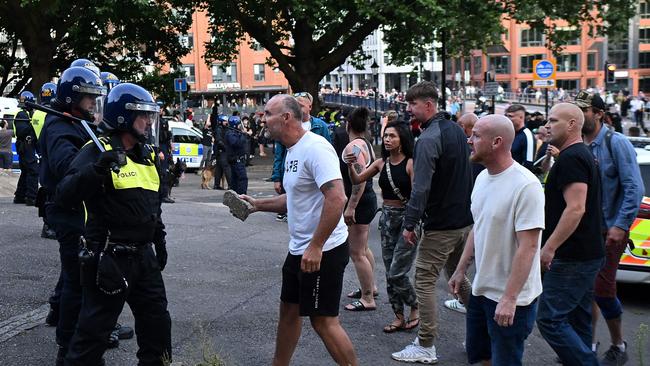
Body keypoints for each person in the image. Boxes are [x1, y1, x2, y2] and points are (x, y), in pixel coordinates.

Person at [56, 83, 171, 365]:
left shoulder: (146, 156)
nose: (149, 122)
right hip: (109, 256)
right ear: (123, 117)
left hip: (144, 256)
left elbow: (151, 205)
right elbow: (65, 195)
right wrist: (97, 170)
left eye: (150, 116)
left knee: (158, 324)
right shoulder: (96, 151)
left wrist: (159, 239)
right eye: (143, 116)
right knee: (93, 335)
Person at [240, 94, 357, 366]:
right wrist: (258, 205)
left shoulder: (316, 148)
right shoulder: (292, 149)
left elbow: (336, 198)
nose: (262, 118)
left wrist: (316, 246)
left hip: (324, 250)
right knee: (289, 311)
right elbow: (293, 198)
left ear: (286, 117)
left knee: (323, 321)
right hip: (300, 249)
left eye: (268, 113)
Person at [449, 114, 544, 366]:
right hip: (481, 291)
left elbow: (530, 246)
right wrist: (461, 270)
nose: (469, 140)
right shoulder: (481, 178)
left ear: (496, 142)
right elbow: (478, 227)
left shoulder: (526, 186)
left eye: (476, 136)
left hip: (512, 299)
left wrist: (510, 298)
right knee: (480, 357)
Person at [392, 81, 473, 364]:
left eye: (413, 104)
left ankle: (426, 344)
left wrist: (410, 223)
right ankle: (479, 333)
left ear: (428, 105)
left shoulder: (429, 138)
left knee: (424, 281)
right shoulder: (456, 131)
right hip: (463, 221)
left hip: (442, 224)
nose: (408, 109)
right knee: (458, 276)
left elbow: (421, 187)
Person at [38, 66, 107, 364]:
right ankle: (67, 345)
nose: (93, 103)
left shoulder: (78, 122)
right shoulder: (59, 127)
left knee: (80, 280)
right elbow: (68, 166)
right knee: (75, 283)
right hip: (68, 212)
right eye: (89, 97)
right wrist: (101, 162)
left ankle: (81, 338)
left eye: (95, 97)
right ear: (72, 97)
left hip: (82, 211)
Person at [575, 90, 644, 365]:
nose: (580, 116)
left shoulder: (616, 143)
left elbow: (633, 188)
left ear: (600, 114)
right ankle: (587, 344)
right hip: (585, 230)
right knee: (585, 290)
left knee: (603, 289)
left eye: (585, 111)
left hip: (609, 230)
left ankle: (619, 344)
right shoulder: (577, 143)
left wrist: (620, 226)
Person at [536, 103, 605, 366]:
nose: (547, 125)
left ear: (572, 125)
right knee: (578, 318)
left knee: (549, 319)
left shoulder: (572, 157)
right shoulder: (578, 154)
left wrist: (549, 247)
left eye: (553, 120)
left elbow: (576, 208)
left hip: (573, 256)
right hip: (584, 253)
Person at [346, 120, 419, 332]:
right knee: (389, 271)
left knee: (398, 271)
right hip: (387, 218)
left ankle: (414, 305)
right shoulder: (380, 163)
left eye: (392, 136)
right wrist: (351, 165)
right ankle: (398, 316)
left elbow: (416, 196)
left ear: (403, 139)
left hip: (406, 220)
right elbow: (358, 178)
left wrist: (412, 225)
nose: (387, 139)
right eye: (386, 136)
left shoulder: (410, 163)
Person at [339, 107, 378, 312]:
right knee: (363, 248)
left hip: (361, 202)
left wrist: (351, 207)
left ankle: (367, 298)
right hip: (368, 200)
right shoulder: (366, 144)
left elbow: (359, 181)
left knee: (356, 253)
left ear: (348, 125)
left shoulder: (353, 147)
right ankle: (370, 286)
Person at [271, 92, 330, 222]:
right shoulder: (286, 126)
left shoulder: (320, 126)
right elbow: (279, 155)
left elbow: (329, 151)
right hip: (291, 170)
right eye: (295, 105)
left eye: (301, 105)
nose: (298, 109)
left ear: (310, 106)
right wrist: (276, 178)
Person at [13, 91, 39, 206]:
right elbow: (22, 131)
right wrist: (32, 125)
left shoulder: (23, 113)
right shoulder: (22, 114)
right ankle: (31, 197)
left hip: (24, 145)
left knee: (25, 171)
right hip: (25, 145)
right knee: (33, 170)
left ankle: (20, 196)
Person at [505, 104, 536, 171]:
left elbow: (528, 164)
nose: (507, 119)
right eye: (506, 116)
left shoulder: (527, 136)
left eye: (510, 116)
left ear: (521, 117)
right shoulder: (508, 133)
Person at [225, 115, 248, 194]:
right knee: (242, 178)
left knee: (236, 179)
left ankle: (236, 195)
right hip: (236, 160)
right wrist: (243, 134)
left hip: (239, 159)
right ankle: (242, 196)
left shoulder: (235, 132)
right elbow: (236, 143)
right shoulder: (230, 133)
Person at [212, 114, 232, 190]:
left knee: (219, 168)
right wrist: (226, 148)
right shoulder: (219, 129)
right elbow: (219, 141)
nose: (226, 122)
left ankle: (216, 184)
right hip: (221, 151)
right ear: (220, 122)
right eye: (224, 121)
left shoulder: (224, 128)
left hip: (221, 151)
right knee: (226, 168)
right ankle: (230, 185)